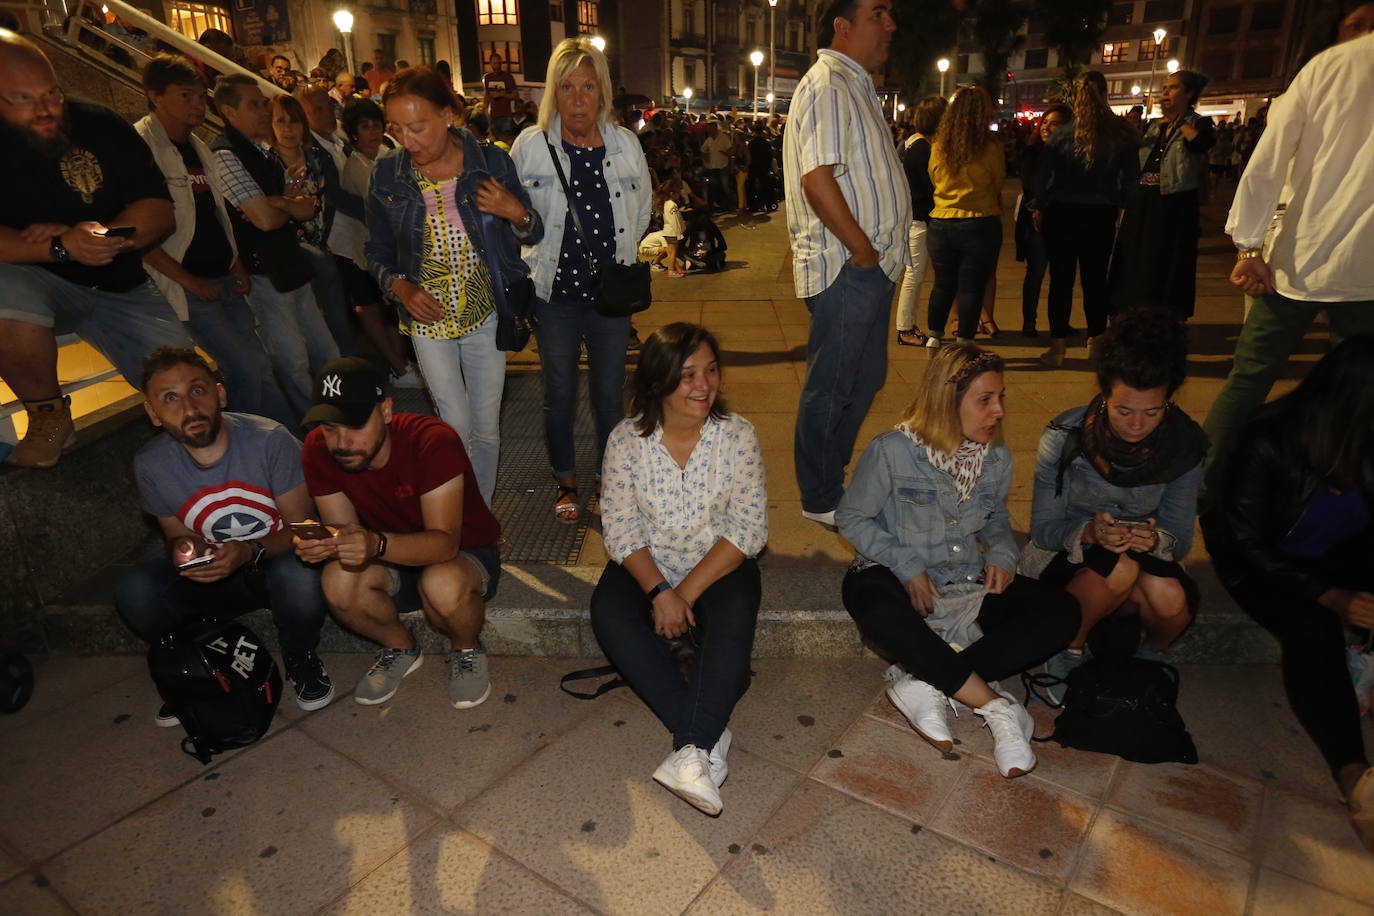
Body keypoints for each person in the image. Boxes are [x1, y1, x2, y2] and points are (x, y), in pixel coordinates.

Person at [836, 345, 1079, 778]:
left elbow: (997, 520)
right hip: (896, 576)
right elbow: (852, 518)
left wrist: (1003, 554)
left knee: (1062, 610)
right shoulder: (892, 450)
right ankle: (995, 707)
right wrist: (906, 564)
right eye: (985, 399)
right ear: (947, 400)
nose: (999, 410)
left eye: (1001, 396)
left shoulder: (996, 457)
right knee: (867, 597)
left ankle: (928, 679)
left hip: (965, 580)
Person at [1201, 335, 1374, 851]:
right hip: (1265, 564)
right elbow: (1243, 541)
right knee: (1310, 630)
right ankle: (1356, 781)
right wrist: (1331, 596)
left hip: (1340, 555)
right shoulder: (1268, 437)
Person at [592, 323, 767, 816]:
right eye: (687, 374)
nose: (704, 384)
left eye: (711, 371)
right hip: (650, 563)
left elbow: (748, 529)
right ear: (657, 383)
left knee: (733, 619)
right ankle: (703, 739)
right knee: (608, 612)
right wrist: (657, 589)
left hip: (718, 564)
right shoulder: (627, 441)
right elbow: (622, 530)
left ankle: (691, 744)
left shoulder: (737, 437)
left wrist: (681, 595)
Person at [0, 31, 191, 468]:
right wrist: (58, 247)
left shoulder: (98, 123)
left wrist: (96, 237)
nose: (47, 108)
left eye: (52, 93)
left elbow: (159, 210)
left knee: (184, 384)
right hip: (37, 277)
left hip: (120, 281)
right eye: (23, 99)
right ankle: (48, 414)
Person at [114, 347, 333, 724]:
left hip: (273, 566)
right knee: (136, 589)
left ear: (220, 394)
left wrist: (249, 551)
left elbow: (306, 528)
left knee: (300, 572)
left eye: (197, 390)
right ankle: (192, 667)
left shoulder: (270, 440)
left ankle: (299, 655)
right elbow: (176, 537)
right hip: (218, 577)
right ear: (152, 413)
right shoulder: (151, 464)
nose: (189, 408)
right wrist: (188, 553)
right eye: (170, 398)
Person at [1202, 30, 1374, 504]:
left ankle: (1204, 486)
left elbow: (1270, 156)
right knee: (1356, 392)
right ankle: (1336, 496)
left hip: (1303, 255)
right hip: (1366, 269)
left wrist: (1248, 245)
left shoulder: (1329, 67)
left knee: (1250, 376)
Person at [367, 66, 541, 506]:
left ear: (448, 115)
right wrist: (402, 289)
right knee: (454, 426)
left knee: (485, 427)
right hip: (428, 320)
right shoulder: (387, 173)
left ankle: (477, 515)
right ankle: (454, 514)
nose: (408, 141)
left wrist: (513, 211)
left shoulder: (492, 161)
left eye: (418, 126)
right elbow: (376, 252)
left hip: (486, 312)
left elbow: (532, 230)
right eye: (397, 128)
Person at [295, 357, 503, 709]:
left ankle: (465, 648)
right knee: (337, 581)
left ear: (387, 410)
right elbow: (341, 530)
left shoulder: (431, 441)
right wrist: (315, 540)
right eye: (330, 427)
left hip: (460, 552)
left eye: (355, 424)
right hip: (384, 554)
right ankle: (400, 646)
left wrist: (372, 543)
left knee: (442, 583)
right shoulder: (317, 448)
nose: (341, 441)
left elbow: (443, 544)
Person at [1022, 309, 1205, 698]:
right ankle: (1068, 647)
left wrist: (1155, 542)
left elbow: (1180, 538)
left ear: (1168, 402)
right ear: (1104, 395)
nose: (1136, 425)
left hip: (1138, 561)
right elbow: (1043, 529)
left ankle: (1148, 657)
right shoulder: (1065, 435)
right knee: (1119, 569)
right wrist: (1089, 532)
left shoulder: (1186, 445)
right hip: (1067, 556)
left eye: (1152, 412)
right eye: (1124, 410)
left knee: (1168, 595)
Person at [510, 38, 652, 523]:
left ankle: (609, 477)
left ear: (601, 92)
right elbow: (516, 217)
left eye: (587, 87)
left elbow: (643, 211)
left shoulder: (625, 144)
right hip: (554, 296)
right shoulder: (531, 146)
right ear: (554, 91)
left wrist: (620, 259)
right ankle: (565, 480)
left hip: (610, 297)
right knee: (560, 393)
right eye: (567, 87)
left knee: (610, 392)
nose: (576, 99)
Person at [782, 0, 910, 529]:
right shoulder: (830, 84)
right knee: (833, 384)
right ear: (843, 25)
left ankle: (831, 473)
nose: (890, 25)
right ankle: (819, 493)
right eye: (878, 13)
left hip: (867, 269)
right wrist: (861, 251)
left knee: (865, 378)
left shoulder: (852, 85)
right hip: (846, 268)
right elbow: (818, 179)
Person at [135, 55, 294, 428]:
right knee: (244, 368)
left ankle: (283, 445)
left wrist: (234, 261)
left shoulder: (197, 146)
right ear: (155, 96)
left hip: (221, 276)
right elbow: (140, 235)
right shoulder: (142, 146)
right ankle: (254, 446)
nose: (197, 105)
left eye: (200, 96)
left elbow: (214, 213)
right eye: (186, 96)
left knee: (261, 367)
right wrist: (190, 281)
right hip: (186, 284)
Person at [209, 74, 339, 418]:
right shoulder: (224, 153)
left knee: (326, 349)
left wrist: (276, 203)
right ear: (227, 110)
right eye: (255, 104)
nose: (265, 111)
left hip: (288, 264)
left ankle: (342, 414)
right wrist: (281, 204)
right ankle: (313, 428)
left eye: (264, 102)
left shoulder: (261, 152)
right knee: (292, 359)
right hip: (261, 271)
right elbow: (266, 219)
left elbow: (304, 207)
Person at [1032, 75, 1139, 366]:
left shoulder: (1062, 135)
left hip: (1062, 212)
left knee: (1061, 282)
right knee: (1095, 280)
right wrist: (1120, 200)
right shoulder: (1121, 134)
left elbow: (1042, 178)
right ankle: (1095, 340)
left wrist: (1040, 204)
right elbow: (1131, 179)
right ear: (1104, 93)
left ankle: (1058, 348)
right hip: (1100, 213)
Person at [1108, 70, 1215, 320]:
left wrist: (1178, 121)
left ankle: (1167, 312)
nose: (1165, 92)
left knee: (1168, 257)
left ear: (1188, 94)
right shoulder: (1155, 125)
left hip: (1175, 201)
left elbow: (1200, 145)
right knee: (1138, 254)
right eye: (1165, 88)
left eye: (1173, 88)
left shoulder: (1198, 123)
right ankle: (1134, 307)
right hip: (1144, 198)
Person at [340, 97, 417, 386]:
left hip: (391, 245)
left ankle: (403, 363)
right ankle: (397, 366)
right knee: (373, 308)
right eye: (365, 126)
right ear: (354, 132)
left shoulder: (387, 153)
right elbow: (384, 206)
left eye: (376, 125)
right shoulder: (356, 165)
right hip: (362, 248)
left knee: (393, 306)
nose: (372, 131)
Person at [925, 85, 1004, 346]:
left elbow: (934, 176)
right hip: (980, 220)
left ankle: (935, 337)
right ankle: (965, 341)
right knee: (971, 285)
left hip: (941, 221)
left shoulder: (939, 145)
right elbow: (997, 181)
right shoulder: (990, 147)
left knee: (943, 284)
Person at [894, 95, 946, 348]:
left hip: (914, 217)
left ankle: (906, 327)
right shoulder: (924, 149)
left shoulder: (913, 144)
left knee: (913, 275)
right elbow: (931, 187)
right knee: (914, 276)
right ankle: (905, 328)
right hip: (920, 219)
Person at [1014, 103, 1069, 340]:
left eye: (1054, 123)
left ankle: (1060, 323)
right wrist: (1039, 206)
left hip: (1063, 218)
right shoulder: (1033, 152)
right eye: (1045, 122)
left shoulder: (1069, 153)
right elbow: (1030, 184)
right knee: (1035, 272)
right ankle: (1029, 321)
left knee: (1062, 274)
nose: (1047, 127)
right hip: (1037, 219)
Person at [649, 177, 686, 276]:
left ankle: (674, 269)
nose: (679, 194)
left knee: (670, 252)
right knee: (673, 252)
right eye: (678, 192)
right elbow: (674, 221)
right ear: (672, 193)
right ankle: (671, 270)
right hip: (672, 232)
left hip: (668, 231)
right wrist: (679, 232)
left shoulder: (666, 204)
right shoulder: (672, 205)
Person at [482, 54, 518, 119]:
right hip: (493, 115)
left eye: (499, 63)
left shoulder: (508, 76)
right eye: (495, 63)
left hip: (506, 114)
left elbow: (515, 95)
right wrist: (485, 110)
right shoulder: (487, 77)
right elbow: (487, 95)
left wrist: (502, 94)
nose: (497, 66)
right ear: (490, 63)